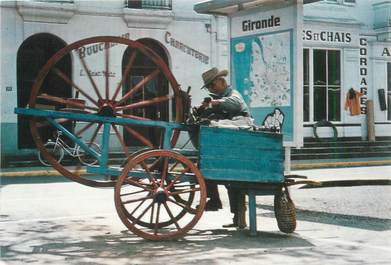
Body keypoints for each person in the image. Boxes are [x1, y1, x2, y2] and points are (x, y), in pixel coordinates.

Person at [197, 67, 253, 228]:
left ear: (221, 81)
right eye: (208, 87)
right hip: (230, 141)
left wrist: (215, 103)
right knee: (207, 165)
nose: (210, 89)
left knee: (234, 181)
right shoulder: (219, 96)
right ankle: (215, 201)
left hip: (241, 135)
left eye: (212, 86)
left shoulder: (233, 95)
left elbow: (234, 104)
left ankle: (232, 213)